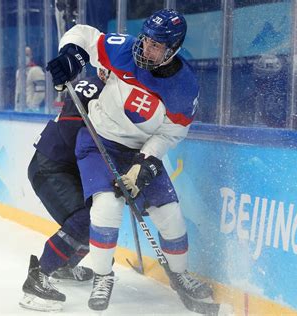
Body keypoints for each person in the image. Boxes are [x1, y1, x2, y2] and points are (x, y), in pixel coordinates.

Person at [46, 8, 213, 312]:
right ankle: (101, 275)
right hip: (100, 142)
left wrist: (145, 164)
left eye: (155, 45)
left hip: (139, 151)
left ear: (172, 50)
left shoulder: (183, 86)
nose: (145, 48)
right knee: (107, 206)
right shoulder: (124, 49)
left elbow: (172, 131)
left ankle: (180, 274)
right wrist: (70, 55)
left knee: (171, 214)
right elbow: (84, 35)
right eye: (146, 39)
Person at [19, 69, 109, 312]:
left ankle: (64, 265)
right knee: (85, 220)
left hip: (67, 167)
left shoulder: (122, 91)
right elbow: (71, 134)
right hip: (50, 166)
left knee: (103, 214)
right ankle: (38, 278)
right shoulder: (92, 87)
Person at [15, 46, 46, 112]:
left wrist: (32, 106)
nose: (23, 57)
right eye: (20, 55)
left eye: (26, 55)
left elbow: (41, 91)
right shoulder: (19, 72)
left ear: (31, 56)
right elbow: (18, 91)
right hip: (20, 110)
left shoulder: (36, 70)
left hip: (33, 111)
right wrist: (17, 106)